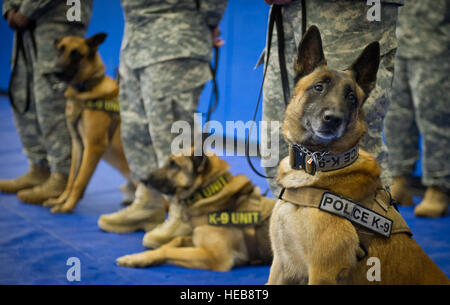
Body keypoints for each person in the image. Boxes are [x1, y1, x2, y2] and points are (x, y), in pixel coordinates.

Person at [98, 0, 227, 248]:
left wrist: (209, 21)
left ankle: (184, 215)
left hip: (175, 40)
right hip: (135, 43)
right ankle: (148, 201)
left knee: (171, 137)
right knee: (137, 131)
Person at [261, 0, 402, 195]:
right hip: (288, 11)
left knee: (355, 151)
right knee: (277, 140)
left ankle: (369, 220)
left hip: (349, 15)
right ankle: (292, 215)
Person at [0, 0, 93, 204]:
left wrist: (26, 9)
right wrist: (9, 9)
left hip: (62, 14)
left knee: (53, 100)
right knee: (25, 91)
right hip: (26, 21)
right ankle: (39, 168)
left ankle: (63, 175)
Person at [384, 0, 450, 218]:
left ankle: (439, 186)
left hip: (435, 45)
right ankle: (400, 179)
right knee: (395, 115)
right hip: (396, 40)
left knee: (435, 116)